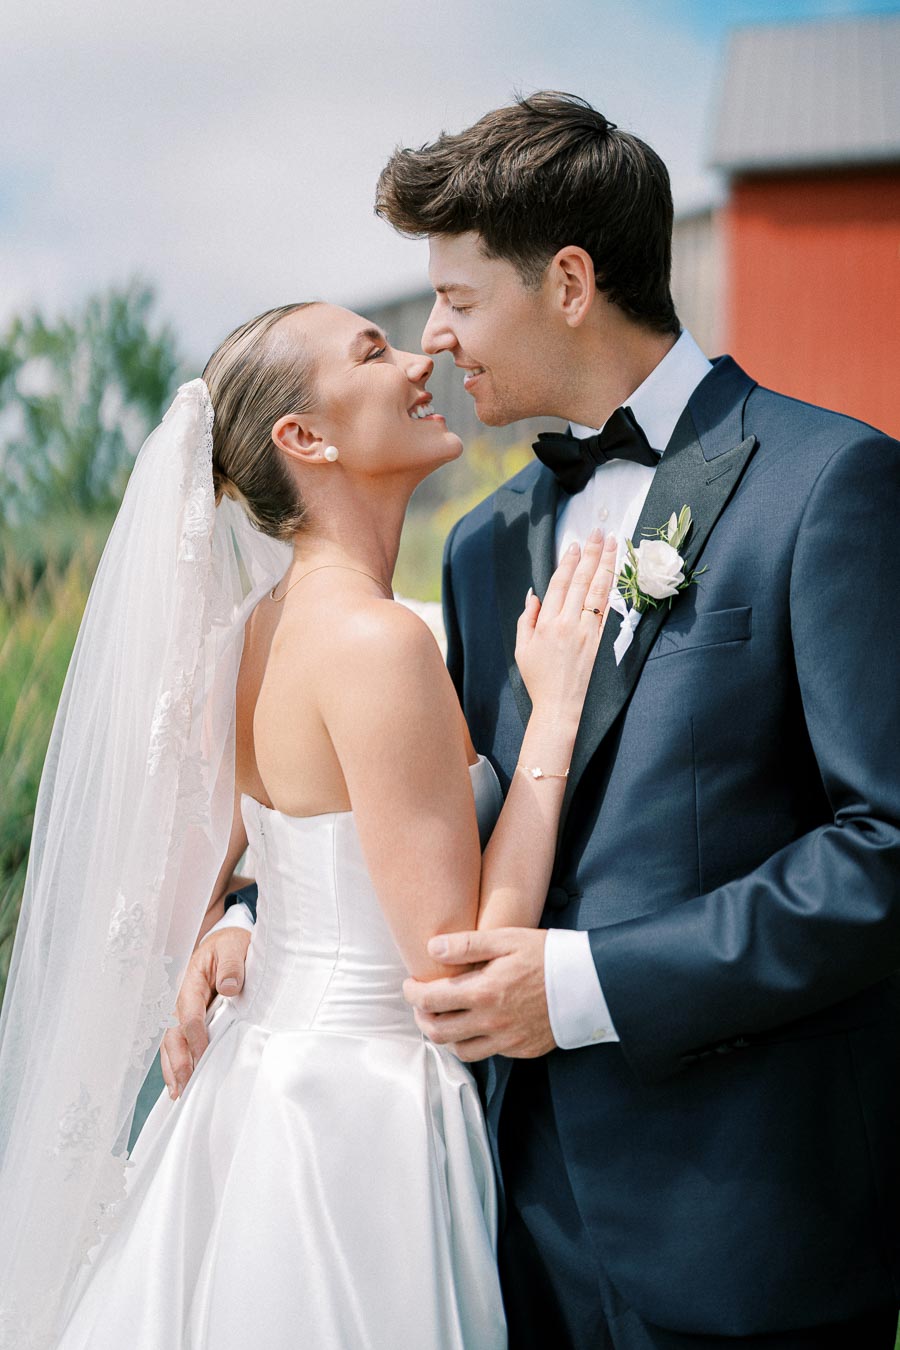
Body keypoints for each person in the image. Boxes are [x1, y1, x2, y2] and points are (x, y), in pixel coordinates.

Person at [200, 94, 900, 1347]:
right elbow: (424, 803)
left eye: (460, 300)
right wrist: (264, 913)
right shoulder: (481, 548)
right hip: (502, 1227)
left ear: (569, 281)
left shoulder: (830, 483)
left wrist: (585, 985)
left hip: (744, 1228)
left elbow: (883, 849)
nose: (437, 341)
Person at [0, 297, 620, 1348]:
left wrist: (238, 922)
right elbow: (453, 969)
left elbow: (268, 852)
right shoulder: (376, 644)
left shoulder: (251, 633)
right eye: (375, 352)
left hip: (257, 1092)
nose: (420, 360)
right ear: (306, 438)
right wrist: (554, 718)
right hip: (356, 1126)